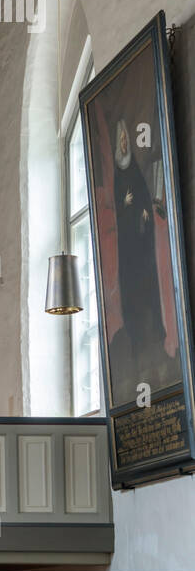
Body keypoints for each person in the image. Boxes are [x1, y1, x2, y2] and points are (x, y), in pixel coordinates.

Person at [108, 118, 169, 397]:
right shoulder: (117, 177)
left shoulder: (133, 170)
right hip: (128, 247)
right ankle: (136, 337)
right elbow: (119, 211)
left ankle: (156, 333)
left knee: (148, 288)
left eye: (125, 140)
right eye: (120, 141)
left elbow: (144, 197)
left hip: (141, 242)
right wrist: (126, 207)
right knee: (133, 291)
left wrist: (143, 210)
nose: (124, 144)